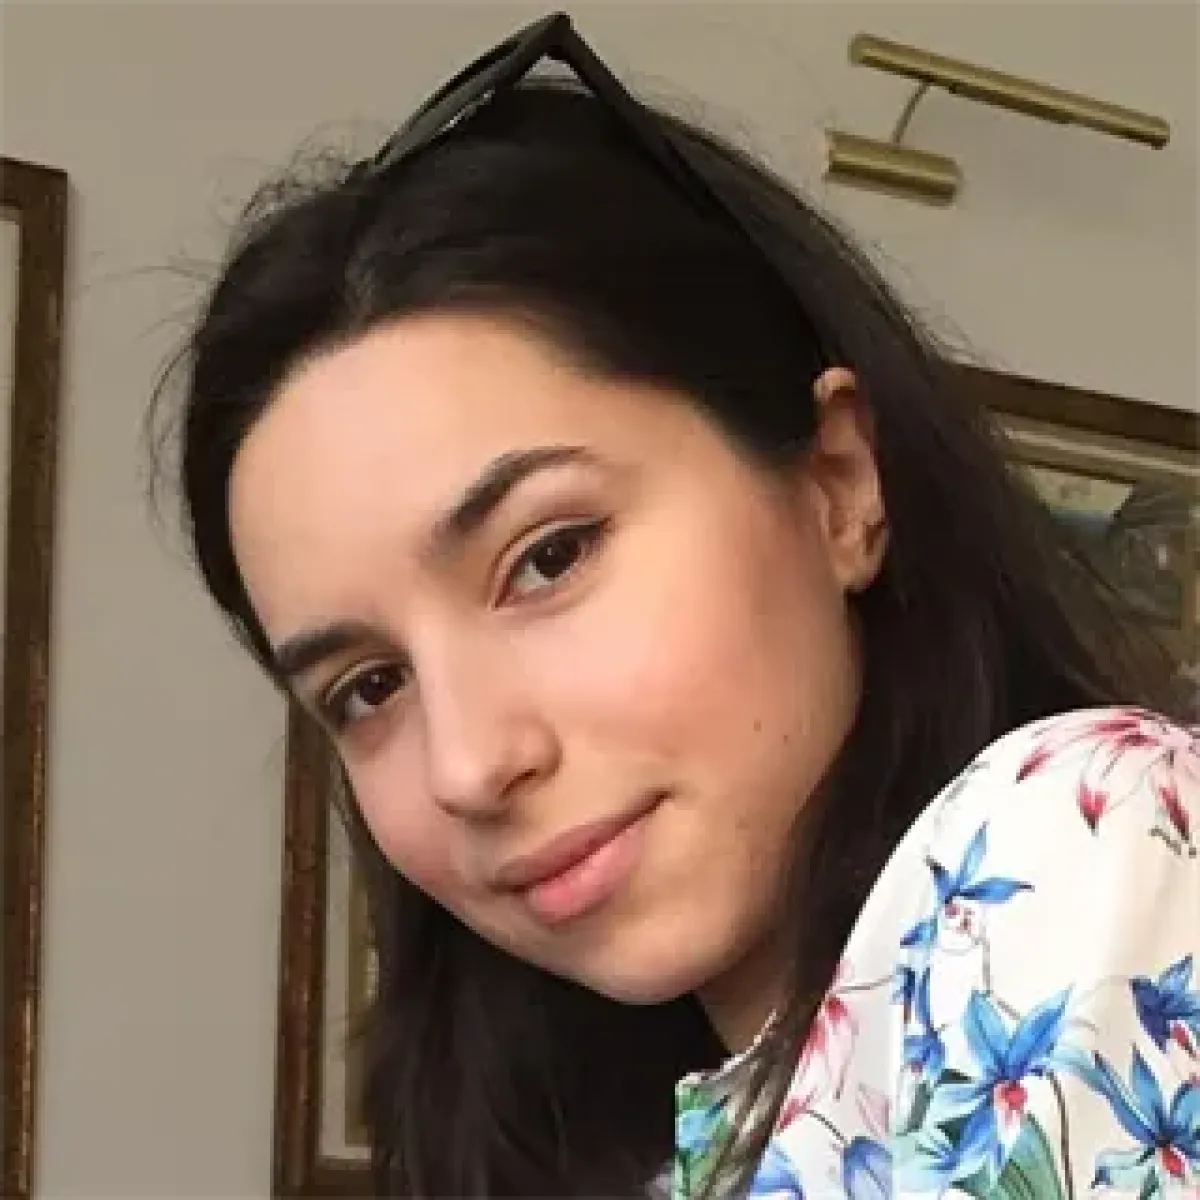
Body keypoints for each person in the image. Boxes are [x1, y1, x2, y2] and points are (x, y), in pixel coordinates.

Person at [156, 13, 1200, 1199]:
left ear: (838, 484)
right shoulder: (663, 1141)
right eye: (369, 687)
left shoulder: (1080, 839)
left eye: (548, 558)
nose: (469, 765)